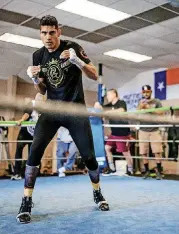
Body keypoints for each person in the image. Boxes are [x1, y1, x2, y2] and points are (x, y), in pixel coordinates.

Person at [16, 15, 109, 224]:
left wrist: (77, 61)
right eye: (43, 33)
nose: (48, 37)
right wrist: (33, 79)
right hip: (51, 110)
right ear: (40, 33)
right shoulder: (38, 55)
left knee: (89, 157)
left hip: (75, 110)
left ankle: (97, 192)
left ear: (59, 31)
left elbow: (94, 75)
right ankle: (26, 200)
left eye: (51, 32)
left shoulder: (73, 46)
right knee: (34, 153)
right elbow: (42, 88)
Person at [95, 89, 133, 176]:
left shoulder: (121, 102)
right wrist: (97, 104)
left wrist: (108, 112)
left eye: (108, 95)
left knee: (125, 152)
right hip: (114, 132)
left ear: (114, 94)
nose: (107, 97)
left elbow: (121, 110)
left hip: (122, 132)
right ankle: (112, 169)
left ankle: (130, 170)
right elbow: (100, 109)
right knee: (107, 148)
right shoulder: (108, 105)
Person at [11, 94, 44, 180]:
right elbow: (27, 114)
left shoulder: (44, 107)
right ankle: (17, 173)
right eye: (39, 102)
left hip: (35, 133)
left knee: (33, 153)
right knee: (19, 149)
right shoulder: (31, 104)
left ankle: (32, 174)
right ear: (36, 100)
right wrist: (21, 120)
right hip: (25, 131)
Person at [138, 85, 163, 180]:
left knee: (157, 151)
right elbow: (137, 113)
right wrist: (140, 107)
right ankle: (147, 171)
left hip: (154, 129)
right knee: (143, 152)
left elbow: (161, 113)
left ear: (151, 91)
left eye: (147, 91)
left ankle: (159, 172)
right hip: (142, 129)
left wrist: (149, 108)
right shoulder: (140, 102)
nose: (146, 93)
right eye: (144, 92)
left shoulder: (156, 101)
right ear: (142, 93)